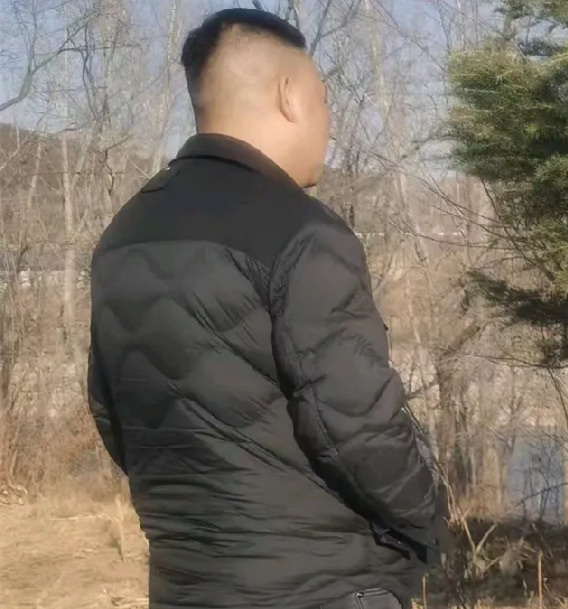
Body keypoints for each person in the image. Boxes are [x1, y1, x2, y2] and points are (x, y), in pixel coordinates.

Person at [85, 9, 444, 609]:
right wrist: (429, 517)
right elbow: (359, 425)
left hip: (185, 584)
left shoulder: (124, 235)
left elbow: (113, 413)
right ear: (288, 95)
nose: (329, 123)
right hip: (321, 586)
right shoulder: (301, 233)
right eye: (323, 99)